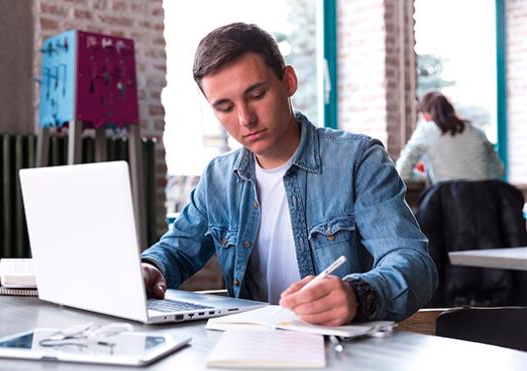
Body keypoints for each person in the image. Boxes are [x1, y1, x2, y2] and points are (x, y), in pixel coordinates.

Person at [141, 22, 437, 326]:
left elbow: (414, 265)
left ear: (289, 81)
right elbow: (176, 251)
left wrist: (358, 295)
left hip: (342, 352)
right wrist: (150, 267)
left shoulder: (357, 160)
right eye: (225, 107)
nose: (246, 119)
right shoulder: (219, 177)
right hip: (251, 350)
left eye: (256, 94)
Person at [396, 91, 504, 184]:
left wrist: (424, 177)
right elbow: (498, 171)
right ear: (451, 110)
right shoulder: (477, 132)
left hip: (446, 202)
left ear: (425, 115)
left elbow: (402, 171)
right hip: (483, 200)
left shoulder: (425, 131)